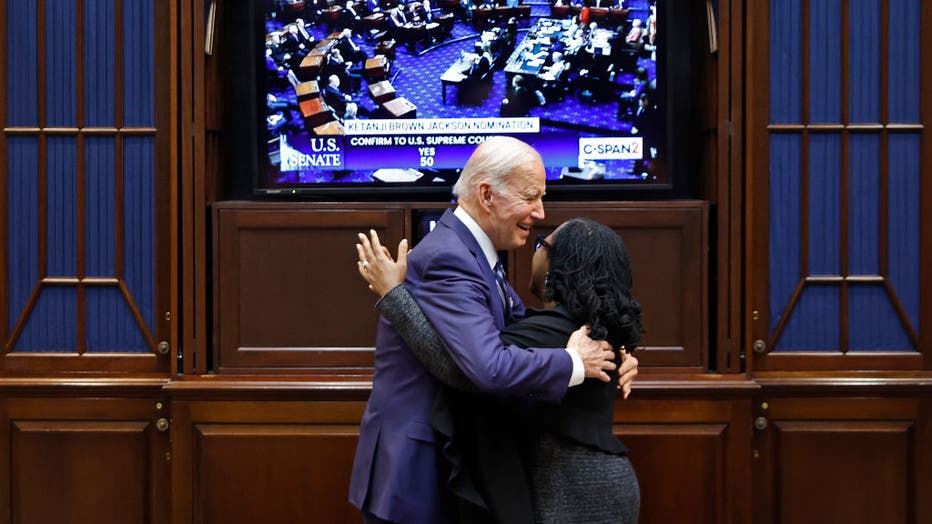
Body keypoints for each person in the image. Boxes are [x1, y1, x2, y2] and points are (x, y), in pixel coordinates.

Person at [349, 137, 638, 523]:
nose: (540, 212)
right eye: (531, 197)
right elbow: (486, 366)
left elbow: (519, 332)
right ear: (487, 195)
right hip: (416, 469)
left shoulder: (472, 251)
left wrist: (616, 355)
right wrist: (574, 363)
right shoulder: (449, 257)